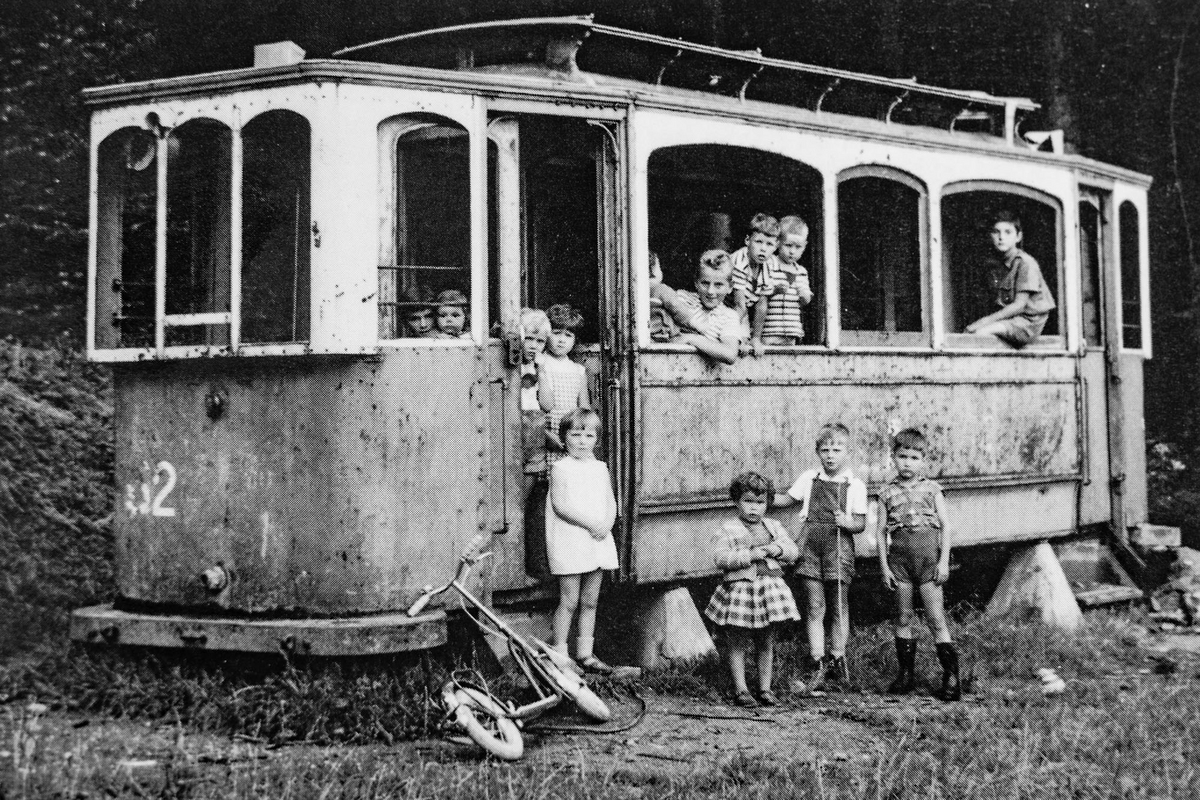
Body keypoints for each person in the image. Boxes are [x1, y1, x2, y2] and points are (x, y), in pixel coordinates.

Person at [773, 423, 868, 690]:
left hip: (839, 546)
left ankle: (838, 658)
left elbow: (860, 525)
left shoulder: (855, 485)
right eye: (825, 450)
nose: (830, 455)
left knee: (839, 606)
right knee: (815, 605)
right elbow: (787, 500)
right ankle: (817, 659)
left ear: (847, 453)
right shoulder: (809, 478)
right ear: (817, 452)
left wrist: (846, 522)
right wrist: (761, 496)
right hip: (811, 546)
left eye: (836, 450)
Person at [876, 428, 960, 700]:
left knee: (936, 618)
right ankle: (906, 675)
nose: (907, 463)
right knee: (902, 617)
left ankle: (951, 677)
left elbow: (946, 526)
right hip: (900, 563)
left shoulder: (932, 489)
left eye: (913, 457)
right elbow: (880, 532)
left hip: (928, 561)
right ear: (893, 458)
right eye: (902, 457)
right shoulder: (886, 492)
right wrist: (884, 567)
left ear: (923, 460)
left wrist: (943, 561)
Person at [705, 472, 801, 707]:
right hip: (740, 590)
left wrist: (777, 550)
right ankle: (741, 690)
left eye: (760, 503)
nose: (754, 508)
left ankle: (765, 689)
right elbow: (720, 558)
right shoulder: (728, 528)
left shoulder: (774, 526)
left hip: (769, 589)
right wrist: (749, 555)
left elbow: (793, 551)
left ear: (767, 503)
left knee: (766, 641)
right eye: (748, 501)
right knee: (737, 641)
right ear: (737, 501)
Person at [546, 408, 619, 674]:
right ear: (563, 438)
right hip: (571, 539)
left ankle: (586, 654)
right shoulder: (561, 468)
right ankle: (559, 654)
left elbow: (611, 502)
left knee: (590, 600)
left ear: (596, 440)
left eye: (589, 435)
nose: (582, 441)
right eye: (575, 434)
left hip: (597, 538)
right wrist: (591, 524)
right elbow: (560, 506)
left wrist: (607, 523)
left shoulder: (600, 468)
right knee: (569, 600)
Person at [964, 210, 1055, 347]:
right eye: (996, 232)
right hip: (1012, 319)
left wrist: (983, 321)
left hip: (1028, 323)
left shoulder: (1025, 263)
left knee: (980, 333)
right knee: (972, 333)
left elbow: (1019, 305)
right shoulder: (997, 264)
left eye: (1008, 232)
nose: (1001, 237)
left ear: (1018, 237)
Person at [648, 249, 741, 365]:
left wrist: (691, 338)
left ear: (730, 287)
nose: (711, 291)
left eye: (718, 285)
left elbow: (730, 354)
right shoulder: (681, 298)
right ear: (696, 282)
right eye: (705, 283)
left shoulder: (729, 316)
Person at [519, 308, 554, 579]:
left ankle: (531, 563)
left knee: (530, 501)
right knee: (515, 501)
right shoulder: (510, 365)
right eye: (528, 338)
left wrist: (541, 368)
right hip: (517, 432)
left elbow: (548, 404)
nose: (533, 346)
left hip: (535, 436)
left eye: (540, 341)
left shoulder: (538, 366)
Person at [538, 304, 591, 464]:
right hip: (546, 433)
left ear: (575, 340)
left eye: (568, 335)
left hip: (570, 436)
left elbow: (584, 408)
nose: (561, 340)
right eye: (556, 333)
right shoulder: (540, 364)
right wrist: (545, 434)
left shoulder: (578, 370)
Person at [752, 215, 813, 350]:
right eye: (788, 245)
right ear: (778, 242)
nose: (792, 251)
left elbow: (806, 300)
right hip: (769, 331)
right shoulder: (769, 264)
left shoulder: (801, 271)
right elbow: (759, 293)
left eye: (798, 247)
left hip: (791, 332)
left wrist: (804, 296)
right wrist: (774, 290)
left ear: (805, 246)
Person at [728, 213, 781, 349]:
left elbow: (762, 304)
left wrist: (756, 338)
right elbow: (739, 305)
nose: (763, 249)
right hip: (727, 307)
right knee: (737, 343)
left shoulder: (770, 264)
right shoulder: (739, 262)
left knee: (750, 343)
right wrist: (733, 336)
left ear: (776, 246)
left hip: (743, 310)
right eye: (758, 242)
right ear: (747, 240)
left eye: (769, 244)